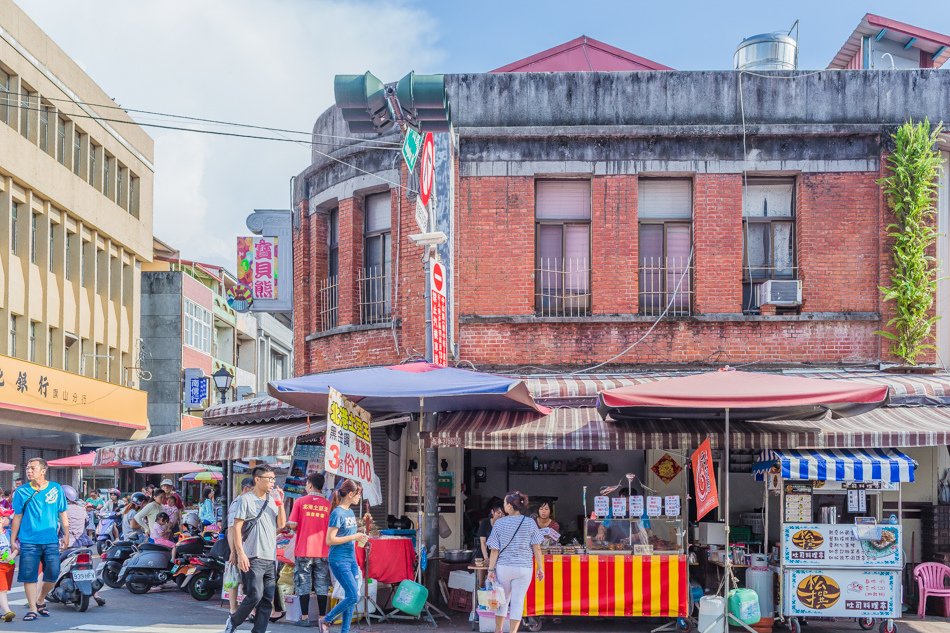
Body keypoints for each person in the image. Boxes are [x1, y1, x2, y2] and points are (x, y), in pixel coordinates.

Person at [224, 465, 285, 633]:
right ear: (257, 479)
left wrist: (280, 503)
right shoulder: (245, 499)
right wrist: (239, 553)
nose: (273, 482)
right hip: (253, 555)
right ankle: (234, 621)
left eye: (274, 479)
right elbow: (236, 527)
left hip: (270, 557)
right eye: (269, 479)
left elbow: (281, 525)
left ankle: (258, 631)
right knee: (255, 595)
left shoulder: (272, 500)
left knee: (267, 599)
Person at [10, 458, 68, 622]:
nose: (29, 471)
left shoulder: (56, 489)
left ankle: (41, 599)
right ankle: (32, 609)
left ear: (43, 470)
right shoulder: (21, 491)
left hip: (51, 540)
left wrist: (67, 534)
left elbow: (62, 512)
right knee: (29, 576)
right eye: (27, 468)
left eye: (32, 468)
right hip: (28, 541)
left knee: (53, 573)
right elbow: (17, 516)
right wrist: (13, 539)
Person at [486, 491, 545, 633]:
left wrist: (490, 570)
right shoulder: (530, 522)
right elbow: (537, 547)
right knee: (518, 603)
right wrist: (540, 568)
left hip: (504, 567)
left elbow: (494, 550)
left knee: (502, 602)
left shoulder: (499, 523)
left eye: (505, 503)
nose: (504, 506)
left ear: (511, 507)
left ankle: (498, 630)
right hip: (524, 568)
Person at [317, 479, 369, 633]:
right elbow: (330, 540)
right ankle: (326, 620)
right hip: (339, 560)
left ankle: (344, 631)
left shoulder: (350, 512)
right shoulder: (337, 512)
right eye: (358, 494)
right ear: (351, 494)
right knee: (353, 596)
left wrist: (359, 537)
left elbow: (348, 536)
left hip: (351, 559)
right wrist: (354, 537)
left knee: (350, 597)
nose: (360, 498)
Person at [287, 472, 331, 627]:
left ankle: (305, 618)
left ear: (310, 484)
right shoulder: (328, 504)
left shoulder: (300, 502)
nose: (306, 486)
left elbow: (292, 524)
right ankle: (322, 618)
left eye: (306, 484)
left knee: (303, 583)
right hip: (323, 551)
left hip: (304, 550)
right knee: (322, 585)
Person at [224, 477, 254, 616]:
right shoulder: (237, 503)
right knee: (235, 578)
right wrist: (233, 552)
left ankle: (246, 610)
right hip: (238, 546)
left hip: (248, 546)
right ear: (247, 488)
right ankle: (233, 609)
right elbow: (231, 529)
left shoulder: (249, 502)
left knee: (245, 579)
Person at [0, 507, 16, 622]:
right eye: (6, 516)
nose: (9, 518)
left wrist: (13, 555)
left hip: (9, 566)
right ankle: (7, 611)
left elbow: (16, 547)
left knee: (4, 589)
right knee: (2, 589)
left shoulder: (9, 532)